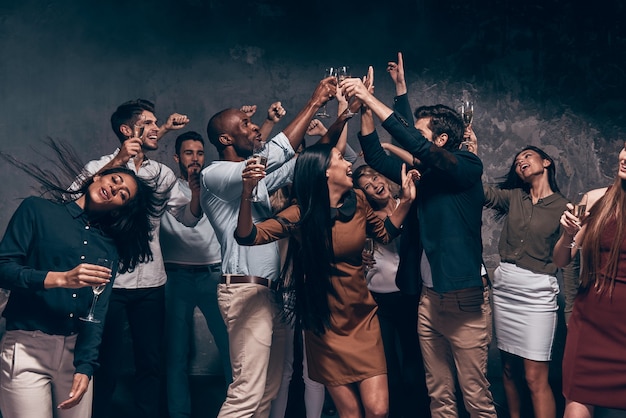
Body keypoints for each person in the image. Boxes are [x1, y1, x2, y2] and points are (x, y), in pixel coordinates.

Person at [342, 65, 496, 417]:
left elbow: (412, 143)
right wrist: (365, 109)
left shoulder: (468, 166)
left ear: (440, 140)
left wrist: (371, 97)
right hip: (429, 297)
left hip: (464, 297)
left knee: (475, 395)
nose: (412, 137)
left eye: (421, 133)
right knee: (438, 393)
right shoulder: (424, 175)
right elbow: (376, 155)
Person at [235, 142, 417, 418]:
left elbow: (384, 233)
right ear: (324, 172)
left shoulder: (358, 201)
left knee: (378, 410)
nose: (348, 164)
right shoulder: (300, 213)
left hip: (362, 317)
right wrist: (246, 195)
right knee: (351, 414)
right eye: (341, 159)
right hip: (325, 323)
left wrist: (407, 201)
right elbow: (248, 236)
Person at [200, 76, 337, 418]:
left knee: (267, 393)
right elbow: (277, 153)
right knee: (246, 394)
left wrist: (343, 118)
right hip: (244, 292)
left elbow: (302, 164)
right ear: (225, 138)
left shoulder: (255, 182)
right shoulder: (215, 175)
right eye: (245, 123)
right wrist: (314, 102)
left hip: (270, 293)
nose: (253, 127)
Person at [0, 141, 167, 418]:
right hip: (27, 347)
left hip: (75, 355)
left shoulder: (107, 248)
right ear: (98, 176)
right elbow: (3, 267)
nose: (114, 189)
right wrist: (60, 279)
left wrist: (86, 367)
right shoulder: (38, 211)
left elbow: (97, 311)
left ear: (119, 209)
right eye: (115, 179)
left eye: (122, 195)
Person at [77, 99, 201, 418]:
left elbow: (187, 218)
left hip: (151, 283)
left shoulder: (161, 173)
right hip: (110, 282)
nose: (157, 128)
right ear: (127, 130)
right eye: (149, 123)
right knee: (105, 362)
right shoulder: (98, 168)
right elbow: (73, 203)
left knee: (150, 363)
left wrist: (197, 192)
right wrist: (121, 159)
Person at [482, 145, 568, 418]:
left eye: (527, 156)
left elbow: (568, 261)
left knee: (534, 377)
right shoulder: (514, 197)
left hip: (538, 293)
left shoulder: (563, 207)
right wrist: (471, 154)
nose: (521, 162)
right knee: (507, 369)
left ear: (546, 162)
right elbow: (481, 193)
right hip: (506, 289)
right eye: (517, 161)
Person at [159, 130, 231, 418]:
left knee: (230, 348)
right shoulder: (166, 188)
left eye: (200, 152)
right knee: (176, 354)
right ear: (177, 157)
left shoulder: (216, 185)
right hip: (176, 277)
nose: (195, 158)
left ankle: (237, 411)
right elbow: (188, 219)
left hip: (213, 275)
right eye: (188, 153)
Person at [553, 141, 626, 417]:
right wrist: (567, 235)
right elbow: (561, 260)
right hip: (591, 321)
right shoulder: (595, 199)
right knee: (577, 398)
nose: (625, 157)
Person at [353, 164, 429, 418]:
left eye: (375, 177)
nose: (375, 185)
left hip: (411, 295)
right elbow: (348, 247)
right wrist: (358, 256)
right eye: (367, 186)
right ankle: (394, 411)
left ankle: (418, 411)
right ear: (364, 195)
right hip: (377, 300)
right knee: (387, 365)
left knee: (414, 358)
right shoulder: (365, 219)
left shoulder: (409, 203)